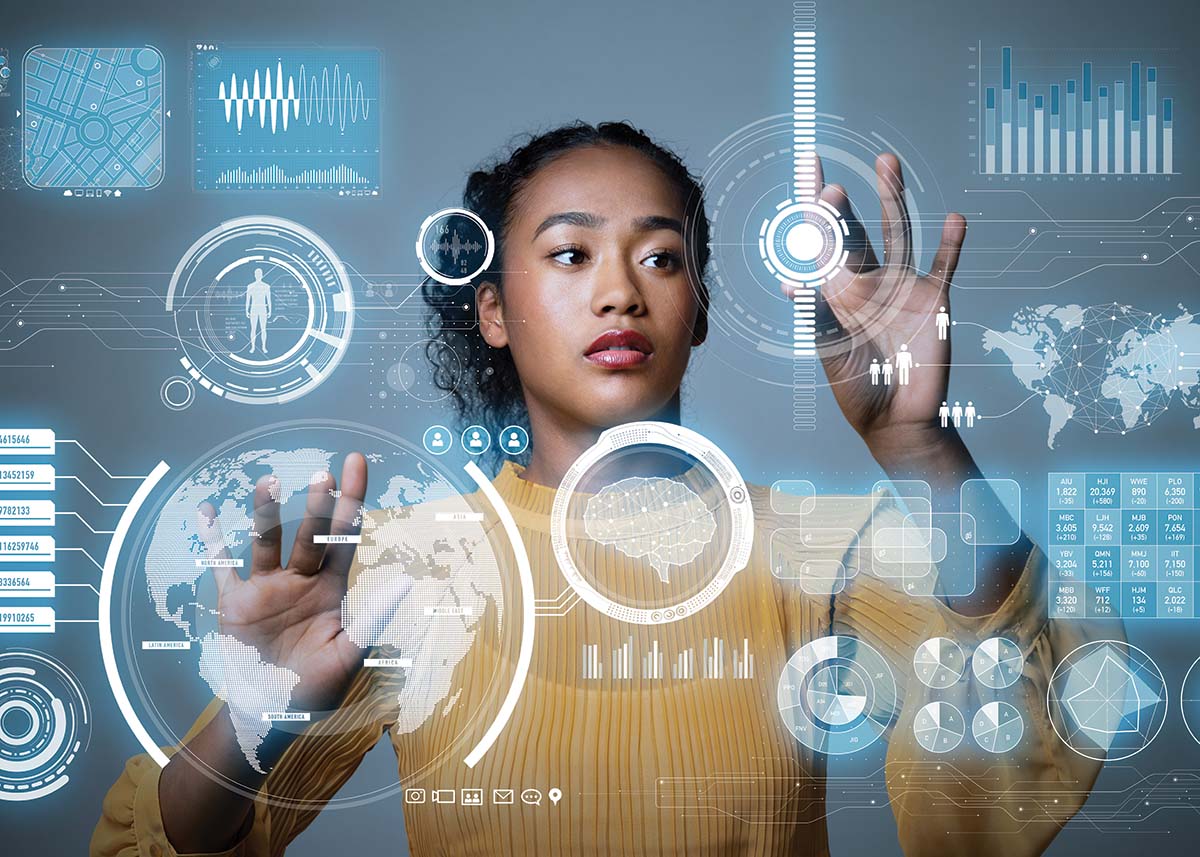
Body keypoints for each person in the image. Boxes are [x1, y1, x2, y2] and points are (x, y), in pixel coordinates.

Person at [94, 121, 1105, 857]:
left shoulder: (808, 545)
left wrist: (919, 445)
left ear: (699, 307)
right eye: (570, 253)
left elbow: (1010, 740)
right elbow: (178, 840)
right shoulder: (406, 565)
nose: (620, 289)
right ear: (493, 310)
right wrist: (255, 707)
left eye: (661, 256)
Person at [244, 267, 272, 355]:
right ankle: (252, 347)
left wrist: (270, 310)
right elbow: (248, 300)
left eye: (260, 274)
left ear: (262, 275)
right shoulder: (250, 286)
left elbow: (269, 300)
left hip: (263, 308)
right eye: (257, 274)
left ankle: (264, 347)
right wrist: (246, 310)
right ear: (255, 275)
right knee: (253, 329)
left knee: (263, 329)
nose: (258, 276)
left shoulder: (266, 286)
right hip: (254, 309)